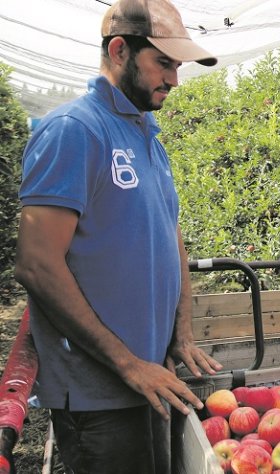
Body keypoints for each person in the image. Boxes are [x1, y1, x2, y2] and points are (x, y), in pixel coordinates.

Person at [14, 0, 222, 472]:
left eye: (178, 66)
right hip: (100, 395)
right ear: (120, 50)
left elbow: (169, 232)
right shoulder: (74, 131)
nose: (174, 80)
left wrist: (180, 331)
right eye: (163, 63)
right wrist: (127, 362)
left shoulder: (146, 133)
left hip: (152, 378)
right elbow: (36, 263)